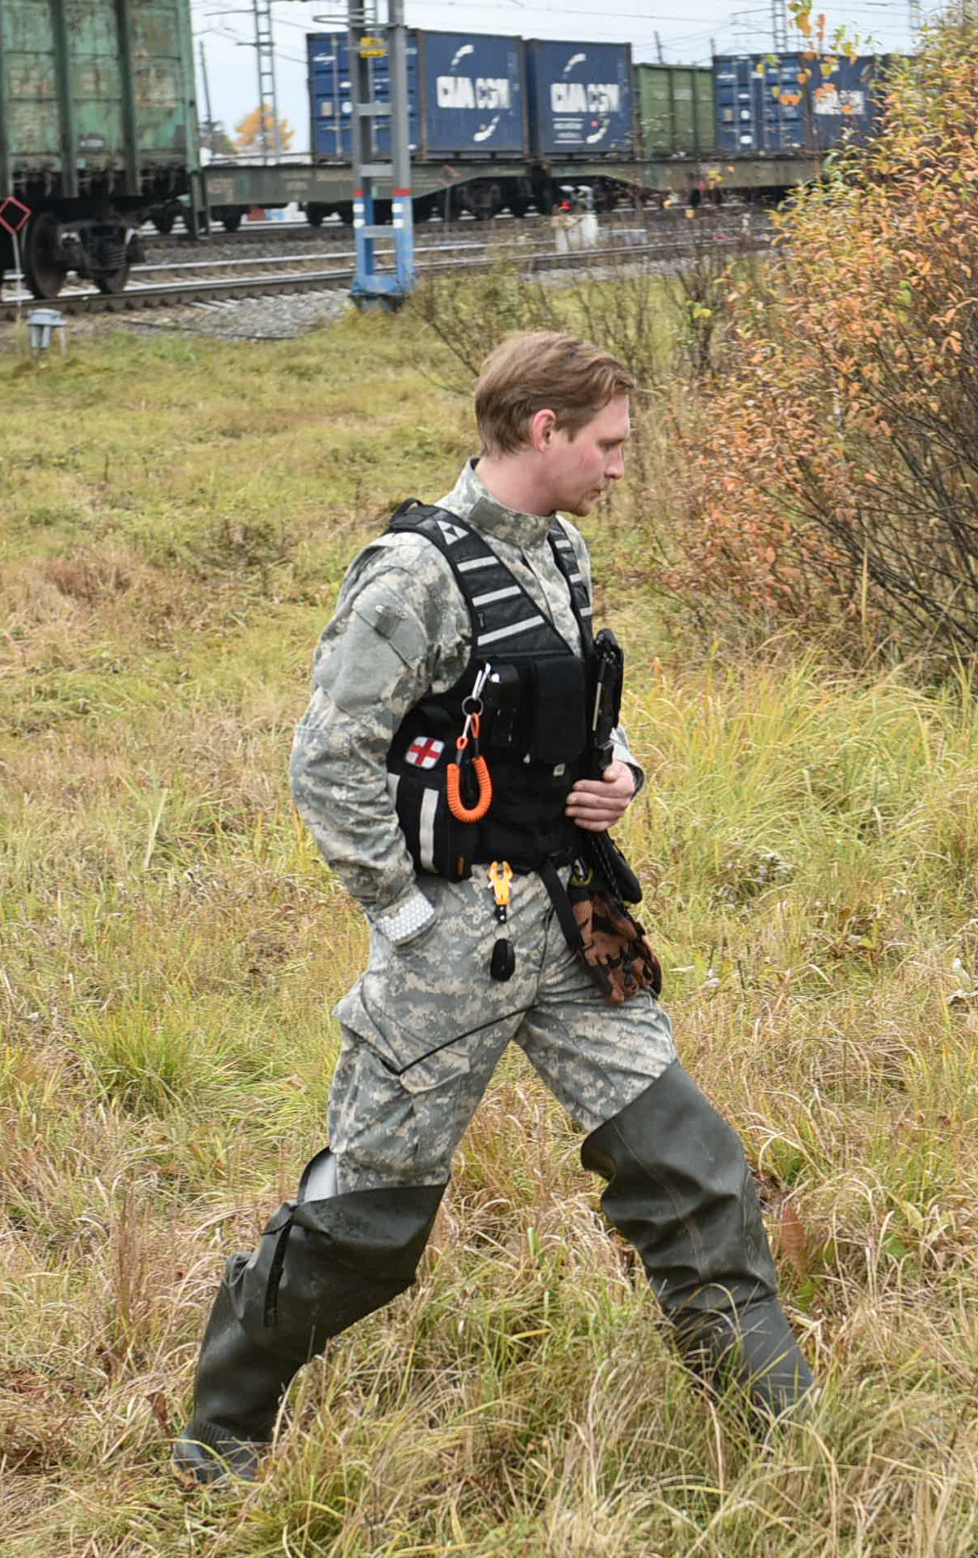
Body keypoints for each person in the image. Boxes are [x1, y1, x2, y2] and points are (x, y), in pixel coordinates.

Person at [174, 330, 816, 1487]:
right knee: (370, 1230)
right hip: (448, 954)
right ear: (543, 430)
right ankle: (220, 1428)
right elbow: (328, 762)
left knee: (693, 1168)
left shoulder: (561, 551)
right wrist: (405, 917)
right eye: (610, 443)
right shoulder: (411, 574)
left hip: (573, 932)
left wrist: (620, 774)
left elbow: (573, 712)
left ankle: (789, 1443)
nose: (624, 464)